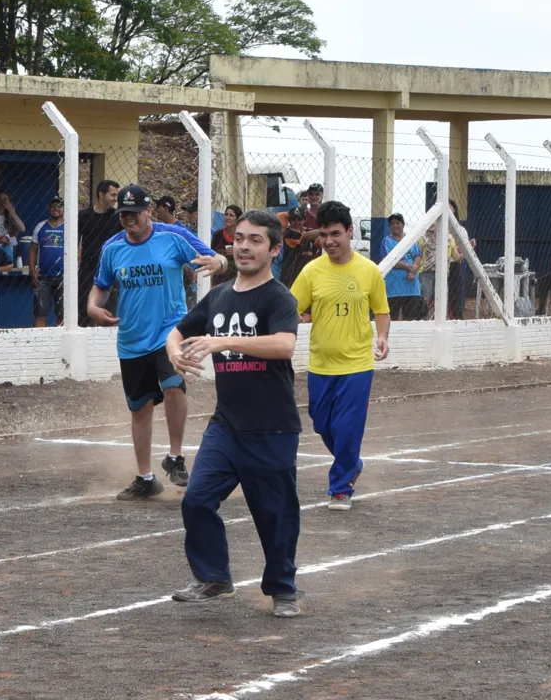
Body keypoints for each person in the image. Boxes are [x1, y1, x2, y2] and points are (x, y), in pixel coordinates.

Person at [167, 210, 303, 617]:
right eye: (239, 238)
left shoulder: (279, 297)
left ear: (274, 249)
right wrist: (175, 352)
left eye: (256, 240)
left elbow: (284, 345)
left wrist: (222, 340)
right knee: (196, 499)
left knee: (275, 516)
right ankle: (214, 578)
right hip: (226, 425)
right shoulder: (220, 295)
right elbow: (178, 331)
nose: (243, 246)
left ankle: (283, 589)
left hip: (272, 427)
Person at [87, 184, 227, 500]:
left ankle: (176, 456)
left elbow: (213, 257)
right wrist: (93, 307)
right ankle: (145, 477)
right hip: (132, 337)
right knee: (140, 408)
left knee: (175, 384)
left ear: (149, 210)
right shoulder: (112, 248)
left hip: (171, 331)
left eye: (134, 214)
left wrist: (218, 262)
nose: (128, 220)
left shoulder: (172, 237)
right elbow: (100, 287)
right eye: (123, 214)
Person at [290, 200, 390, 511]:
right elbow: (292, 308)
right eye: (323, 235)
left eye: (335, 233)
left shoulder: (369, 271)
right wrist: (294, 321)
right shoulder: (311, 271)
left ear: (349, 232)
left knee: (347, 427)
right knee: (322, 423)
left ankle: (340, 486)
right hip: (321, 364)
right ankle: (351, 461)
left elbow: (382, 310)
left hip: (358, 364)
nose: (329, 241)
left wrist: (383, 336)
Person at [78, 179, 121, 325]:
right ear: (101, 195)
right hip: (87, 271)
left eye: (117, 195)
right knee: (84, 313)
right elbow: (76, 241)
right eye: (112, 195)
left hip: (111, 271)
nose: (115, 199)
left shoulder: (118, 218)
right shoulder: (84, 216)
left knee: (110, 313)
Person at [30, 196, 67, 327]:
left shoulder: (69, 228)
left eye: (59, 206)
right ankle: (38, 345)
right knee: (40, 313)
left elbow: (77, 250)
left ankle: (62, 345)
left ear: (64, 209)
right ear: (49, 208)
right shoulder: (40, 226)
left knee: (63, 314)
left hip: (64, 277)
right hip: (43, 277)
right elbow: (33, 249)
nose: (56, 208)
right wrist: (32, 271)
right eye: (53, 206)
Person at [381, 213, 424, 320]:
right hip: (393, 287)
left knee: (410, 318)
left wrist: (413, 270)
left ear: (403, 224)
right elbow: (389, 260)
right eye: (392, 223)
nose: (395, 226)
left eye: (398, 223)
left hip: (412, 286)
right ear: (389, 226)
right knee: (392, 317)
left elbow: (418, 256)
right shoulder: (386, 242)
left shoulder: (411, 240)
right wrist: (409, 267)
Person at [419, 222, 456, 317]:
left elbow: (456, 256)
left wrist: (469, 249)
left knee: (442, 299)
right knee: (425, 298)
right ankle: (422, 320)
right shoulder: (423, 236)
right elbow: (417, 254)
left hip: (443, 273)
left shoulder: (449, 237)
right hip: (426, 272)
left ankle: (441, 319)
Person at [279, 206, 319, 288]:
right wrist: (325, 230)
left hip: (307, 277)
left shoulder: (309, 234)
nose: (296, 222)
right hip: (289, 279)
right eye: (293, 219)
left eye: (299, 219)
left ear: (304, 220)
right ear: (289, 221)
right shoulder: (288, 234)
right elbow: (305, 237)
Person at [447, 199, 474, 319]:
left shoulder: (460, 230)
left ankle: (457, 319)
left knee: (455, 293)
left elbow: (460, 250)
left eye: (450, 208)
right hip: (437, 265)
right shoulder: (435, 228)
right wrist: (457, 247)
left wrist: (455, 247)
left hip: (454, 264)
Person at [0, 190, 26, 260]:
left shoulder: (11, 215)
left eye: (5, 199)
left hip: (12, 247)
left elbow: (22, 229)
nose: (2, 201)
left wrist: (11, 211)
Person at [209, 205, 241, 286]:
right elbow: (212, 254)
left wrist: (236, 251)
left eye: (231, 215)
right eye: (226, 214)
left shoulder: (242, 236)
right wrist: (223, 252)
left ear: (237, 219)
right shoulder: (218, 235)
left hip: (237, 276)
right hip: (219, 277)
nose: (227, 217)